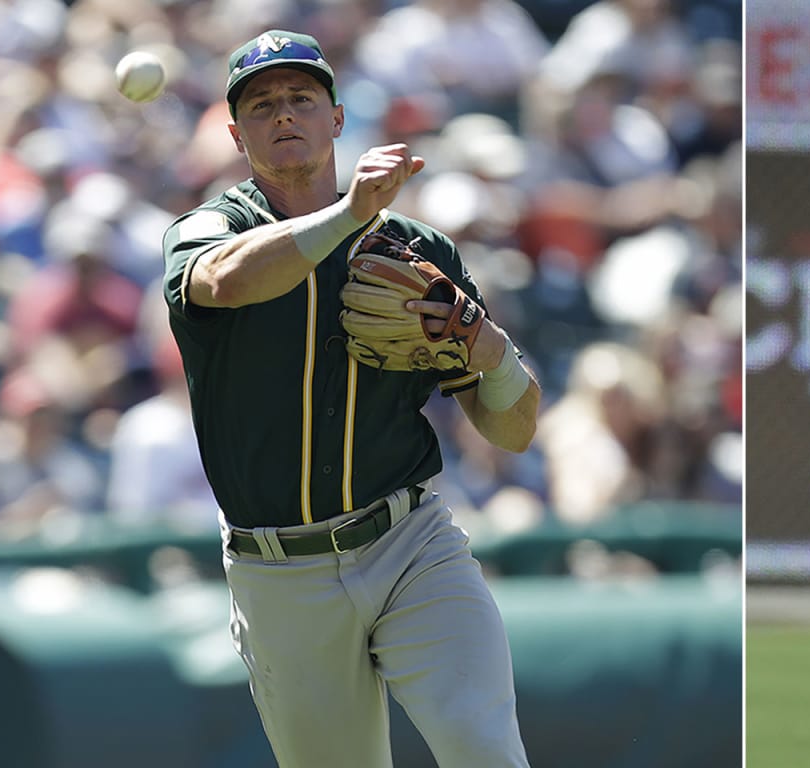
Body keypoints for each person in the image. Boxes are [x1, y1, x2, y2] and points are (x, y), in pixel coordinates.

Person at [161, 30, 539, 767]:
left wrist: (490, 347)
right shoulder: (213, 228)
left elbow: (512, 430)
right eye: (263, 104)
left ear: (336, 118)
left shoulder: (417, 246)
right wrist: (346, 219)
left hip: (411, 542)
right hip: (281, 570)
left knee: (483, 745)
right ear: (238, 135)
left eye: (302, 97)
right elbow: (225, 281)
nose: (284, 113)